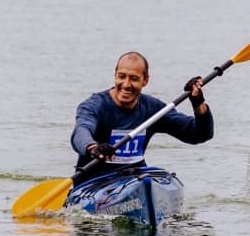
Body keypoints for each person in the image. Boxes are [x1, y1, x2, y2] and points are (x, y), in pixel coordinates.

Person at [69, 51, 213, 185]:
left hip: (134, 181)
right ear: (115, 76)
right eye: (121, 76)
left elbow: (200, 134)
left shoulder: (153, 109)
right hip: (94, 184)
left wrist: (198, 103)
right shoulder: (93, 105)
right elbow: (81, 131)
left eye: (134, 79)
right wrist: (93, 147)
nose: (126, 84)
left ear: (145, 80)